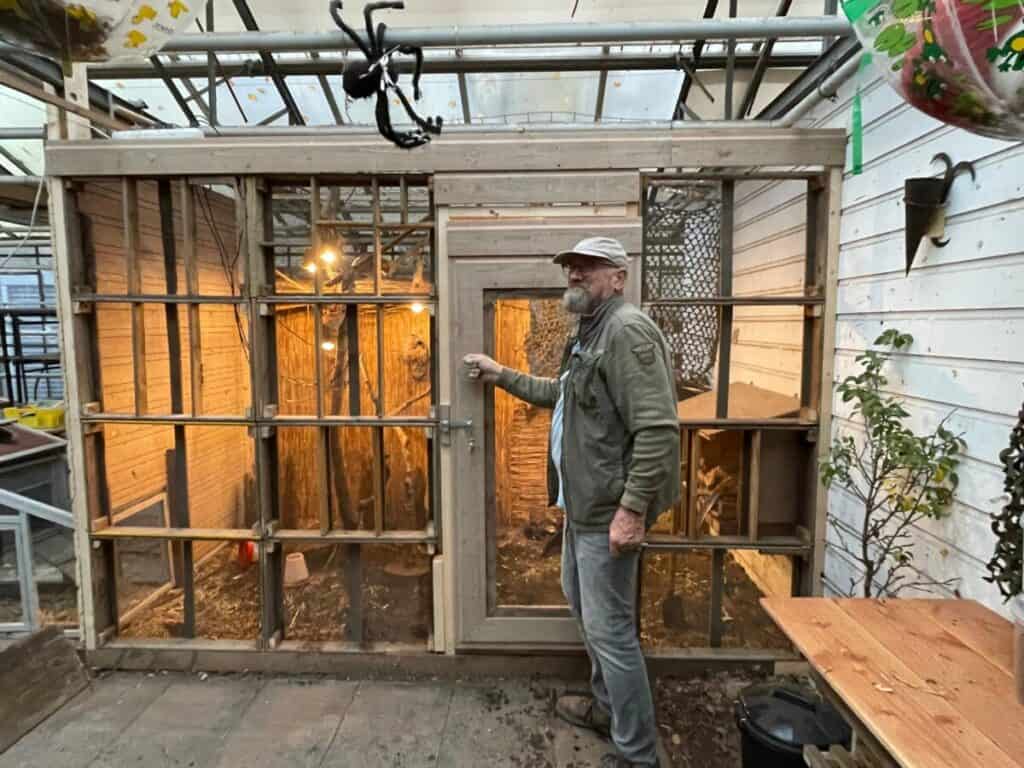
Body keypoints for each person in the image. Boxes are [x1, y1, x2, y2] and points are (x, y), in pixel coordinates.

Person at [463, 236, 680, 768]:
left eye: (588, 267)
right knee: (588, 614)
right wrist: (500, 374)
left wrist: (631, 511)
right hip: (584, 508)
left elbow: (658, 430)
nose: (575, 275)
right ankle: (608, 710)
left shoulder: (627, 332)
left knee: (612, 632)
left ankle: (638, 755)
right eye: (571, 267)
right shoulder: (591, 332)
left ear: (618, 278)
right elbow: (563, 395)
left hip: (608, 512)